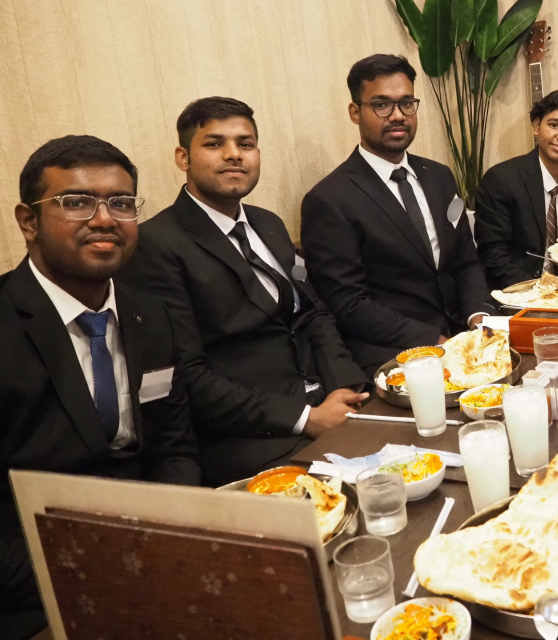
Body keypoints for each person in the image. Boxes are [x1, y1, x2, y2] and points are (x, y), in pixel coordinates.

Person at [0, 136, 200, 636]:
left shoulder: (150, 315)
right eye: (77, 202)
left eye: (122, 202)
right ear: (28, 221)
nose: (105, 218)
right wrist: (106, 567)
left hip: (155, 550)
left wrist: (172, 537)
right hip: (34, 581)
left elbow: (174, 448)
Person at [120, 97, 369, 487]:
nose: (234, 154)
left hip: (325, 402)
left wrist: (343, 386)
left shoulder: (267, 223)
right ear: (183, 158)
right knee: (367, 491)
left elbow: (313, 313)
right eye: (214, 143)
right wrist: (306, 418)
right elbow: (187, 377)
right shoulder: (155, 245)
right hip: (255, 435)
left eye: (246, 143)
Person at [301, 54, 491, 375]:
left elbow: (465, 261)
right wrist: (435, 341)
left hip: (462, 335)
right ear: (355, 112)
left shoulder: (439, 176)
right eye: (381, 105)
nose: (398, 115)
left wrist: (479, 318)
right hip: (394, 353)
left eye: (406, 103)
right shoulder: (329, 199)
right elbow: (348, 304)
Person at [474, 88, 558, 289]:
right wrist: (541, 291)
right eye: (554, 125)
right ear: (537, 126)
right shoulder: (501, 180)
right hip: (518, 292)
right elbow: (494, 256)